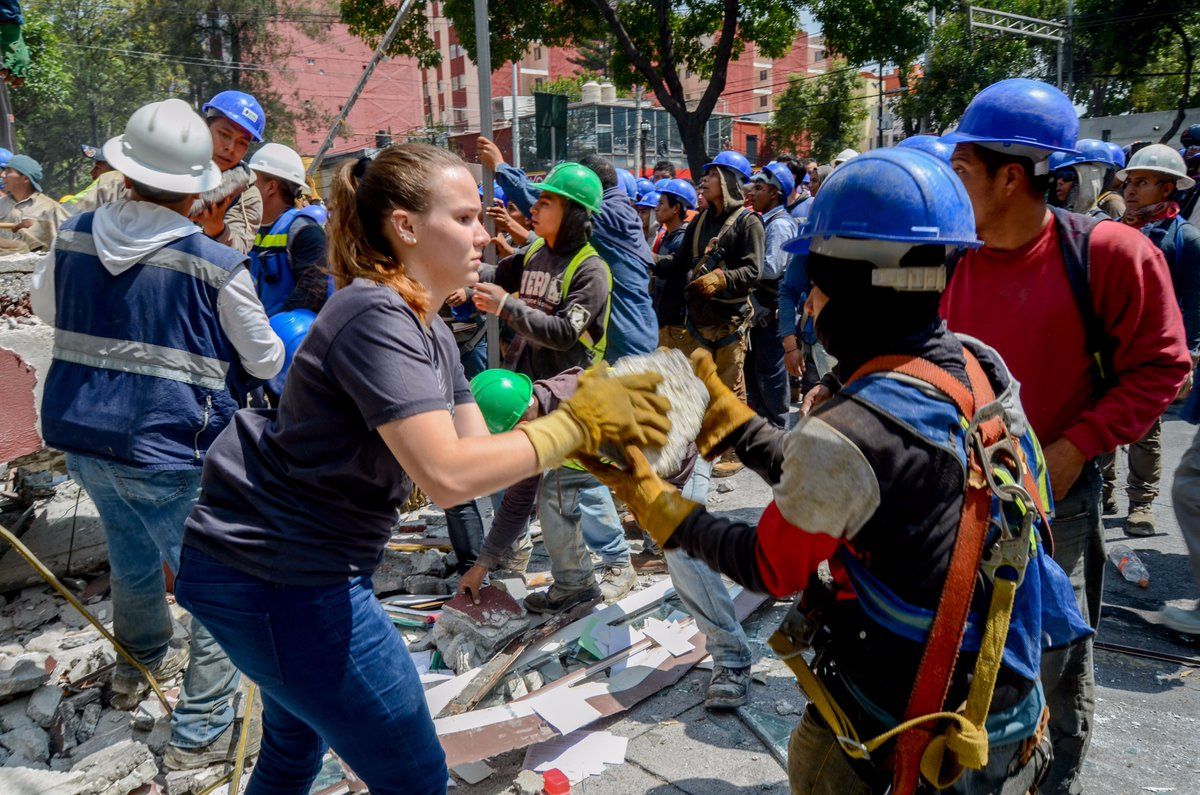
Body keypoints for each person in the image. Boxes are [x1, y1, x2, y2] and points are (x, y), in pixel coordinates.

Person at [585, 147, 1090, 793]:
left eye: (817, 285)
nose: (810, 303)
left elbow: (771, 566)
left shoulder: (854, 427)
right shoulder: (969, 367)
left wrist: (660, 507)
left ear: (859, 285)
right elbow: (845, 482)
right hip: (999, 691)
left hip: (902, 718)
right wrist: (730, 419)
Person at [174, 143, 668, 794]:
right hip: (280, 575)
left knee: (294, 754)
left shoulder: (426, 326)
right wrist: (581, 422)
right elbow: (447, 474)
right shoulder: (375, 313)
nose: (487, 233)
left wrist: (560, 406)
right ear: (405, 226)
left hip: (283, 569)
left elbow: (480, 451)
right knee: (413, 770)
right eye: (464, 219)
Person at [937, 78, 1191, 794]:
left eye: (962, 173)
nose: (950, 190)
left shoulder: (1110, 254)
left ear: (1011, 176)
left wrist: (1075, 447)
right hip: (956, 502)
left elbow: (1164, 368)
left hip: (1056, 509)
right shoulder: (949, 256)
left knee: (1049, 666)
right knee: (961, 659)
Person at [30, 98, 285, 770]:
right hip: (172, 449)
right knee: (214, 585)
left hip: (81, 440)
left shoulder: (74, 235)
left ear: (127, 171)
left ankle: (133, 666)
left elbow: (46, 308)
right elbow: (264, 359)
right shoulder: (210, 261)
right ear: (199, 189)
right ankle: (203, 732)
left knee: (131, 554)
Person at [473, 162, 637, 600]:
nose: (535, 206)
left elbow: (566, 331)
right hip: (533, 386)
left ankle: (617, 562)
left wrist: (507, 307)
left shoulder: (591, 270)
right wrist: (463, 278)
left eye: (546, 201)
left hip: (572, 392)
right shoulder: (534, 254)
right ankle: (571, 580)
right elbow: (495, 275)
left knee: (576, 482)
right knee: (548, 487)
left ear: (575, 214)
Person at [482, 137, 658, 361]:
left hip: (624, 352)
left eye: (551, 199)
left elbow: (564, 332)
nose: (536, 209)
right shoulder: (617, 217)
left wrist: (500, 167)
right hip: (633, 340)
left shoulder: (606, 221)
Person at [1099, 144, 1200, 535]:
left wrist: (1189, 355)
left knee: (1144, 431)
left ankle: (1141, 503)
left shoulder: (1183, 239)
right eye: (1128, 181)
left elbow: (1193, 303)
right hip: (1106, 348)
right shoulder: (1109, 230)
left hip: (1150, 350)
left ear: (1167, 189)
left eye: (1143, 183)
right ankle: (1103, 491)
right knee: (1101, 424)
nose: (1130, 190)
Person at [73, 90, 266, 255]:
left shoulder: (245, 195)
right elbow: (73, 224)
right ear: (205, 128)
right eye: (224, 135)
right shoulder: (126, 176)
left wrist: (217, 229)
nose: (230, 148)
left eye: (242, 143)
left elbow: (239, 252)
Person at [656, 150, 765, 400]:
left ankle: (732, 439)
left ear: (730, 181)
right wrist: (648, 260)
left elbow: (753, 271)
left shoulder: (748, 223)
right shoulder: (699, 221)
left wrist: (722, 279)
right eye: (705, 175)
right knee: (700, 397)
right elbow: (678, 262)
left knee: (727, 399)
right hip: (700, 326)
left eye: (713, 174)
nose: (704, 180)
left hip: (730, 324)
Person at [248, 142, 328, 315]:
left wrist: (270, 328)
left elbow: (312, 292)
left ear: (271, 188)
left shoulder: (305, 232)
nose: (246, 190)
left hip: (290, 337)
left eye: (251, 183)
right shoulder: (253, 229)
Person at [745, 161, 797, 427]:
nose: (753, 192)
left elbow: (770, 268)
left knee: (771, 376)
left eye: (759, 188)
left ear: (774, 193)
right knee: (756, 375)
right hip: (759, 315)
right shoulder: (765, 221)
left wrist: (742, 264)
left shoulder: (779, 225)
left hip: (771, 316)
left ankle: (778, 434)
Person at [0, 154, 68, 253]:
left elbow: (70, 240)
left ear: (25, 178)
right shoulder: (1, 204)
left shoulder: (50, 208)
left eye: (9, 171)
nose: (2, 175)